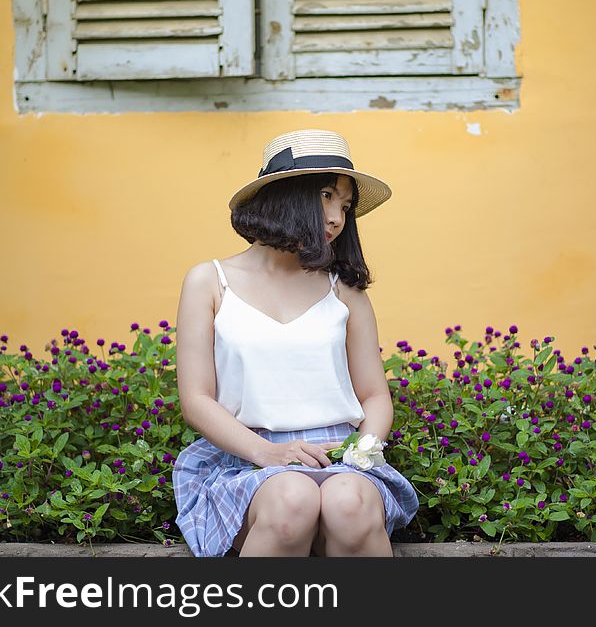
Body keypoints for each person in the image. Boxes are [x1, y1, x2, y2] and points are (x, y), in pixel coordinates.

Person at [172, 129, 418, 557]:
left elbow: (374, 394)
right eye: (325, 195)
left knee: (351, 504)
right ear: (283, 195)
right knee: (291, 500)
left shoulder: (344, 290)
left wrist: (363, 449)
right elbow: (196, 399)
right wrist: (268, 452)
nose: (337, 217)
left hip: (342, 459)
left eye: (345, 205)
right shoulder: (210, 281)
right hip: (248, 458)